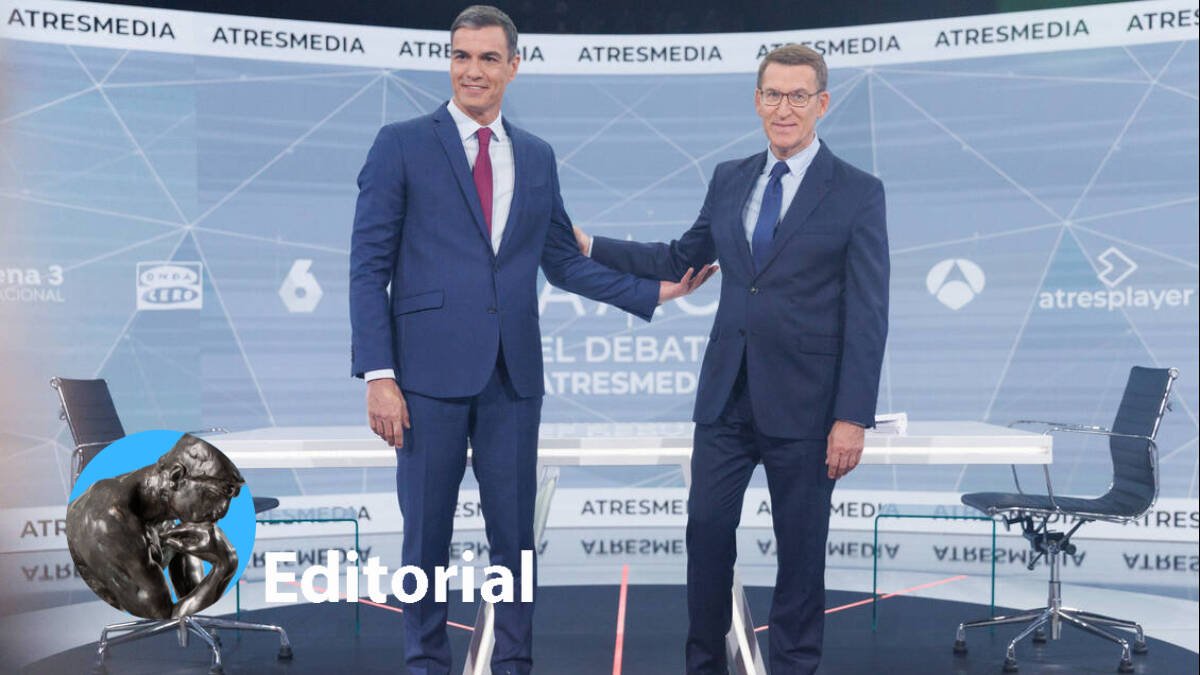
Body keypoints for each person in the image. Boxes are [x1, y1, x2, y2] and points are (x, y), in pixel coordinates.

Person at [348, 6, 713, 674]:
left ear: (514, 67)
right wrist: (378, 373)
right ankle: (425, 662)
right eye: (461, 56)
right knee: (424, 536)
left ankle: (514, 662)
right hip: (423, 377)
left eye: (489, 58)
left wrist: (653, 293)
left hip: (512, 378)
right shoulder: (399, 143)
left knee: (515, 539)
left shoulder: (538, 155)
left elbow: (562, 259)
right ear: (449, 60)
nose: (473, 70)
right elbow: (369, 264)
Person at [574, 44, 889, 674]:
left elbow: (869, 316)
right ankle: (704, 665)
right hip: (725, 401)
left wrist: (852, 416)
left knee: (801, 554)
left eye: (799, 95)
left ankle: (794, 666)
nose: (784, 108)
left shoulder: (858, 192)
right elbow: (679, 259)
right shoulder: (730, 178)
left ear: (822, 104)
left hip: (808, 407)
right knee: (707, 538)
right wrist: (588, 243)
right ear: (757, 100)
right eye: (772, 94)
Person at [65, 434, 244, 619]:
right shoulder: (109, 520)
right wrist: (226, 564)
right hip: (104, 627)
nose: (223, 510)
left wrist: (219, 569)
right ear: (176, 476)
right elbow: (163, 621)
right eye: (216, 494)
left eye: (231, 495)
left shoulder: (171, 511)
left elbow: (194, 598)